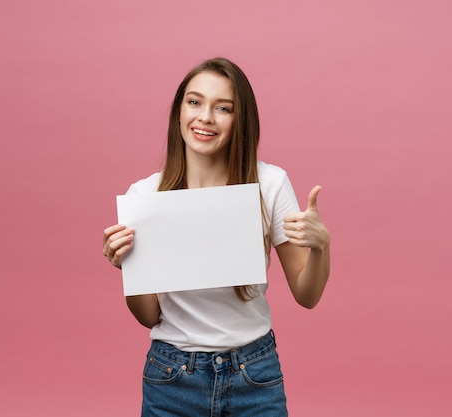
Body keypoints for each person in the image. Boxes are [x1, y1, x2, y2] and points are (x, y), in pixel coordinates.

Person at [102, 57, 330, 416]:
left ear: (241, 121)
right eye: (194, 102)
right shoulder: (143, 196)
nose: (205, 117)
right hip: (173, 376)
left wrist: (320, 246)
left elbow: (307, 294)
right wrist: (128, 266)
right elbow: (148, 316)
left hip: (254, 373)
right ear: (179, 112)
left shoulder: (269, 184)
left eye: (223, 108)